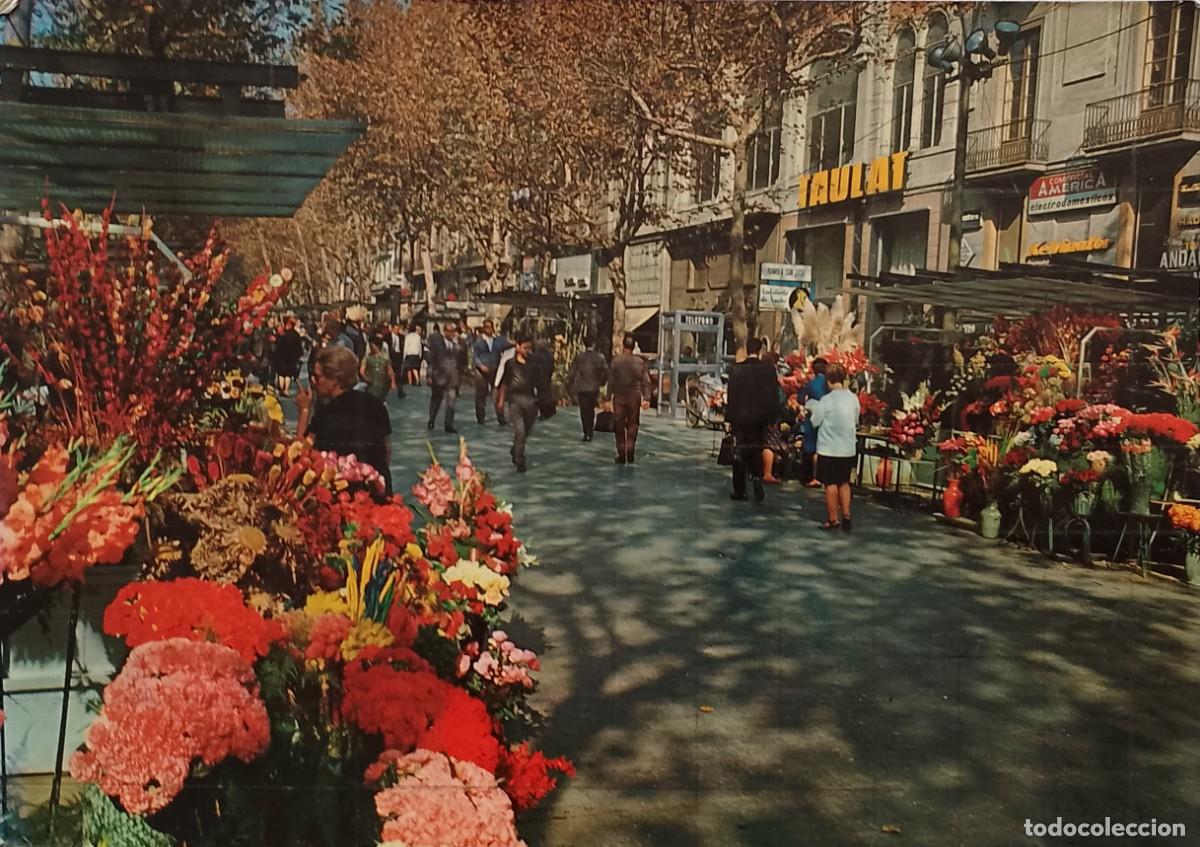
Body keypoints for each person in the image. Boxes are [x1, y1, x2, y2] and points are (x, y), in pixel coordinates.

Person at [296, 346, 393, 496]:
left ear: (336, 380)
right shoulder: (376, 404)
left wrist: (304, 410)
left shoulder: (326, 413)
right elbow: (386, 451)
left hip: (344, 496)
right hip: (377, 490)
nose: (313, 381)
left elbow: (301, 454)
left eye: (318, 377)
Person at [806, 363, 860, 531]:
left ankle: (832, 518)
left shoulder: (826, 400)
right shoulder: (853, 398)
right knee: (844, 482)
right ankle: (847, 514)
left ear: (828, 381)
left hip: (829, 448)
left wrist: (810, 408)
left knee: (830, 484)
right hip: (847, 448)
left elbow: (816, 421)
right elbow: (856, 420)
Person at [725, 337, 780, 502]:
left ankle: (740, 490)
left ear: (747, 350)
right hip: (759, 417)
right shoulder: (769, 370)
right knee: (756, 449)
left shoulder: (736, 370)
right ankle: (756, 477)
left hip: (740, 417)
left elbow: (732, 396)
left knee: (739, 452)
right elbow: (773, 396)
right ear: (760, 350)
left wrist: (728, 418)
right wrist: (772, 417)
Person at [495, 332, 544, 474]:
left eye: (529, 348)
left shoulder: (534, 364)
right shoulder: (510, 364)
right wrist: (500, 400)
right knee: (520, 430)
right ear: (517, 347)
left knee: (526, 431)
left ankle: (515, 448)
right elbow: (504, 383)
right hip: (515, 401)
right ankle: (519, 458)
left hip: (531, 402)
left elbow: (540, 384)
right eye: (525, 348)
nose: (527, 351)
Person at [608, 334, 651, 465]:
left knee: (619, 424)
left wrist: (607, 397)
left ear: (623, 345)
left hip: (619, 396)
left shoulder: (616, 361)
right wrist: (647, 398)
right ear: (633, 347)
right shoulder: (640, 362)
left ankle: (621, 453)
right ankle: (630, 449)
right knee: (633, 423)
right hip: (634, 396)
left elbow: (611, 381)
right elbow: (646, 382)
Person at [426, 321, 467, 433]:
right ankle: (431, 420)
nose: (452, 334)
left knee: (451, 402)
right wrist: (429, 375)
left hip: (453, 378)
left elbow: (463, 361)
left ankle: (448, 424)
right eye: (449, 331)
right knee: (436, 400)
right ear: (444, 332)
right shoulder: (437, 344)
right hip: (439, 377)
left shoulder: (459, 344)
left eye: (453, 331)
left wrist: (462, 376)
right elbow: (431, 361)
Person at [567, 338, 609, 442]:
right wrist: (602, 381)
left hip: (582, 387)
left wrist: (569, 383)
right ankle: (590, 430)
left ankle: (586, 431)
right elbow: (606, 371)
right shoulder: (600, 358)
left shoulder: (579, 357)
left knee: (584, 410)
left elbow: (573, 372)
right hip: (594, 387)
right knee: (591, 409)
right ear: (594, 344)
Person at [472, 319, 508, 425]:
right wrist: (480, 366)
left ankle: (500, 417)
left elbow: (508, 345)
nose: (489, 329)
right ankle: (480, 418)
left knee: (497, 394)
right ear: (483, 328)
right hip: (481, 370)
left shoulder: (498, 340)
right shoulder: (479, 341)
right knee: (480, 395)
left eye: (490, 327)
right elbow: (474, 356)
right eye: (486, 327)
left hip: (495, 369)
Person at [800, 357, 829, 487]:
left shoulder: (811, 384)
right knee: (822, 447)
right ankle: (822, 476)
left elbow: (801, 398)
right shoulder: (829, 385)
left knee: (812, 447)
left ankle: (813, 476)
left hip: (813, 418)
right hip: (827, 417)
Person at [271, 318, 303, 396]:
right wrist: (299, 355)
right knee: (288, 374)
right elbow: (299, 347)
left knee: (281, 374)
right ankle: (286, 389)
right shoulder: (296, 335)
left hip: (281, 357)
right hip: (292, 358)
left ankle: (282, 389)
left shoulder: (283, 335)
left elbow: (278, 345)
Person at [361, 333, 395, 402]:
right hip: (371, 385)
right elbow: (362, 370)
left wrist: (393, 382)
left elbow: (390, 370)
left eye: (371, 345)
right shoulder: (367, 357)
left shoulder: (385, 358)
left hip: (382, 385)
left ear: (377, 345)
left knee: (381, 401)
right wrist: (366, 379)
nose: (370, 347)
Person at [386, 323, 407, 399]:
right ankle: (386, 389)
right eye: (395, 329)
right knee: (389, 373)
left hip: (398, 356)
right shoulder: (387, 337)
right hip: (391, 355)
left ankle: (400, 391)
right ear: (392, 329)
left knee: (398, 374)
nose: (397, 331)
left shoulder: (401, 337)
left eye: (398, 329)